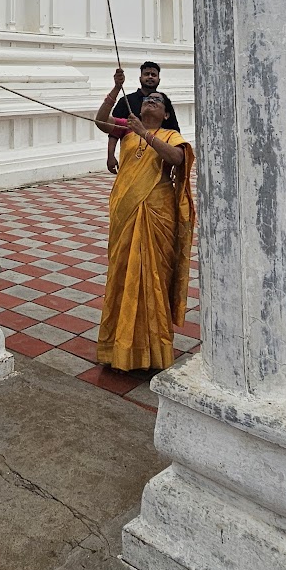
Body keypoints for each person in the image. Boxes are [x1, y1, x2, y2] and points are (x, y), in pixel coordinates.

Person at [94, 69, 194, 370]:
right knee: (123, 276)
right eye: (147, 99)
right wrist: (115, 89)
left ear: (165, 114)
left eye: (157, 101)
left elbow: (176, 159)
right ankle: (118, 350)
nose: (150, 101)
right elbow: (101, 121)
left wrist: (144, 134)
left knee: (152, 279)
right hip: (125, 211)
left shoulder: (169, 135)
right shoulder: (127, 127)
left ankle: (153, 352)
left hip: (156, 214)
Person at [106, 60, 179, 175]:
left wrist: (176, 164)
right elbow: (114, 130)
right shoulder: (127, 101)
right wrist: (110, 156)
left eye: (153, 75)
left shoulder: (164, 104)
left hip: (158, 162)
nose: (150, 77)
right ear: (140, 78)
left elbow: (174, 133)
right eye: (146, 74)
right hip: (131, 160)